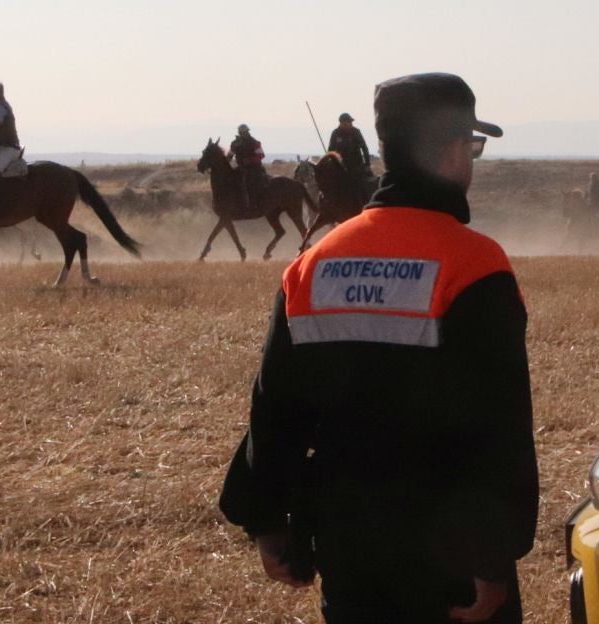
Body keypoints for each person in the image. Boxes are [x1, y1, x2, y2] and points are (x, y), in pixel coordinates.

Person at [219, 72, 537, 624]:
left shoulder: (312, 265)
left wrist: (266, 519)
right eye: (474, 147)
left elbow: (276, 408)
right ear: (453, 150)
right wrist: (491, 554)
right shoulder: (474, 265)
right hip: (449, 554)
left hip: (349, 545)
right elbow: (497, 422)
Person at [327, 112, 374, 196]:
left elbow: (364, 148)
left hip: (356, 166)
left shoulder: (356, 132)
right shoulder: (335, 133)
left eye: (351, 122)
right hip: (340, 167)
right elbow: (330, 150)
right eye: (349, 122)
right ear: (342, 123)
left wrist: (367, 164)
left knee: (365, 185)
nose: (351, 124)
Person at [230, 124, 267, 203]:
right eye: (241, 132)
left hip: (254, 168)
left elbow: (261, 155)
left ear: (247, 132)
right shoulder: (235, 143)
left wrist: (250, 160)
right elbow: (230, 155)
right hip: (240, 168)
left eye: (244, 132)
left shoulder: (254, 142)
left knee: (252, 183)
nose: (243, 134)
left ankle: (256, 202)